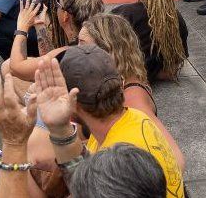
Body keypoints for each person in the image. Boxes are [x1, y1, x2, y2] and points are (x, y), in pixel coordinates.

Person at [34, 47, 184, 198]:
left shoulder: (118, 160)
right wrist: (60, 129)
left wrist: (16, 145)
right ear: (122, 83)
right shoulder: (136, 118)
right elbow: (83, 177)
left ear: (72, 104)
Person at [78, 14, 186, 171]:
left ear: (107, 51)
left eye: (83, 45)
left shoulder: (132, 99)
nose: (76, 51)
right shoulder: (118, 83)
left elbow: (176, 161)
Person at [6, 0, 105, 82]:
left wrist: (22, 28)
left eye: (58, 3)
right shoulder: (102, 36)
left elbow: (16, 69)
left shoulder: (69, 52)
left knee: (8, 71)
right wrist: (40, 26)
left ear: (65, 16)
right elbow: (50, 60)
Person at [110, 0, 188, 82]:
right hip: (151, 76)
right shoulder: (175, 17)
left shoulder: (123, 14)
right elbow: (173, 68)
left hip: (128, 78)